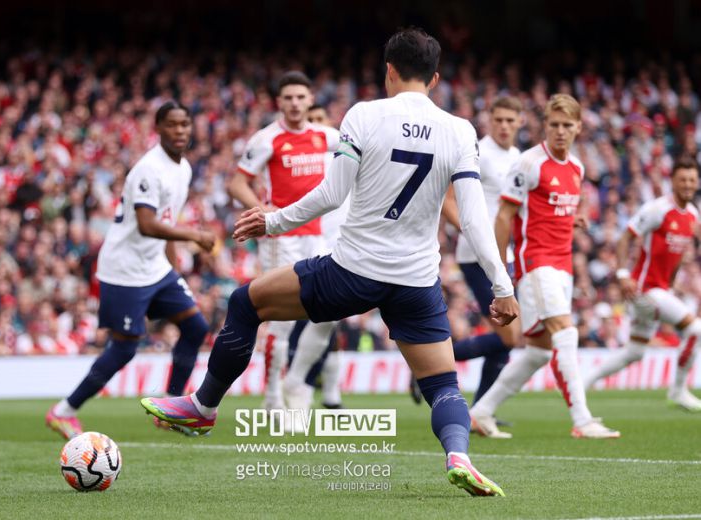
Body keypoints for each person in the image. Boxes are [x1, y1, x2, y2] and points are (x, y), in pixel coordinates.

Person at [143, 27, 519, 497]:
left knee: (245, 303)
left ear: (389, 71)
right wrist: (503, 287)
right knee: (443, 383)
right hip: (416, 281)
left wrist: (273, 221)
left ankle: (203, 407)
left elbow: (332, 193)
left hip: (352, 272)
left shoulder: (363, 115)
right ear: (435, 78)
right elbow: (475, 221)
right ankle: (458, 456)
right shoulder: (460, 130)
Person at [45, 102, 216, 439]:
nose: (180, 130)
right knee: (124, 348)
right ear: (158, 128)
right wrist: (194, 235)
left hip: (155, 267)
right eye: (172, 124)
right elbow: (148, 224)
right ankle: (63, 411)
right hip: (124, 270)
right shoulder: (148, 169)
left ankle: (171, 408)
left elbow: (166, 221)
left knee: (196, 327)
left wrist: (173, 264)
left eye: (185, 124)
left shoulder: (183, 169)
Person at [469, 94, 621, 439]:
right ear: (544, 126)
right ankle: (582, 420)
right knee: (566, 332)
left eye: (567, 125)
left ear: (579, 127)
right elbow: (504, 217)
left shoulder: (577, 167)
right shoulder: (528, 163)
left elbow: (556, 208)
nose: (560, 131)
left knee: (537, 353)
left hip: (563, 266)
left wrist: (574, 218)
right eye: (554, 125)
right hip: (536, 264)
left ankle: (480, 412)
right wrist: (500, 271)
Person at [227, 72, 339, 411]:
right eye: (288, 97)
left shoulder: (326, 136)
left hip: (316, 235)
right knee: (282, 319)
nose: (294, 103)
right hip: (281, 237)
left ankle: (297, 379)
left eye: (300, 97)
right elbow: (237, 183)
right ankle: (272, 396)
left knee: (332, 309)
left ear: (310, 100)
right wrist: (262, 211)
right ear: (279, 102)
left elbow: (362, 154)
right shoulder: (267, 139)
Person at [583, 157, 701, 411]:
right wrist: (623, 274)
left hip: (659, 291)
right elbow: (625, 238)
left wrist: (671, 284)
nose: (688, 184)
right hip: (645, 290)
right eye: (683, 179)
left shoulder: (692, 215)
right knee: (696, 329)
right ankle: (678, 391)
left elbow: (678, 254)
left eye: (692, 180)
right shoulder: (658, 209)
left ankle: (583, 383)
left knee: (635, 352)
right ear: (673, 181)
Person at [433, 97, 524, 409]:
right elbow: (448, 200)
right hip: (476, 256)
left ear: (520, 122)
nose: (504, 126)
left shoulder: (517, 157)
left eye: (510, 120)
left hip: (504, 256)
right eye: (498, 119)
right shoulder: (478, 151)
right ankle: (430, 363)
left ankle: (482, 411)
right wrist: (472, 232)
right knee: (510, 335)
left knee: (505, 340)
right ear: (489, 120)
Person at [284, 104, 348, 416]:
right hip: (309, 247)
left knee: (328, 321)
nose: (318, 128)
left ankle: (310, 388)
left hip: (341, 248)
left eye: (323, 121)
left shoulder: (346, 157)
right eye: (313, 121)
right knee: (304, 322)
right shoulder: (303, 164)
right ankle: (294, 388)